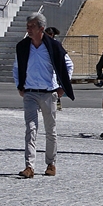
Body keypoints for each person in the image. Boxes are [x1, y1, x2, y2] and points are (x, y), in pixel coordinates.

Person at [13, 13, 74, 178]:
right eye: (27, 26)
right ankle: (29, 166)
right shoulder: (23, 46)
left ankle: (51, 163)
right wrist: (19, 85)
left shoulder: (53, 46)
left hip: (49, 93)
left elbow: (69, 64)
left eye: (31, 26)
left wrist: (62, 87)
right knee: (31, 129)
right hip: (30, 92)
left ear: (41, 28)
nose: (28, 29)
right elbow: (17, 67)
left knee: (50, 130)